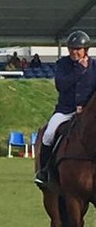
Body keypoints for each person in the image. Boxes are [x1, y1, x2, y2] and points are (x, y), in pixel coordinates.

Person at [34, 30, 96, 185]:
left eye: (77, 49)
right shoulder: (63, 64)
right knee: (48, 134)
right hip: (65, 111)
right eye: (71, 49)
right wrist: (79, 70)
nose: (74, 52)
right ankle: (44, 172)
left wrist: (86, 106)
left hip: (88, 112)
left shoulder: (95, 66)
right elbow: (61, 85)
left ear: (85, 50)